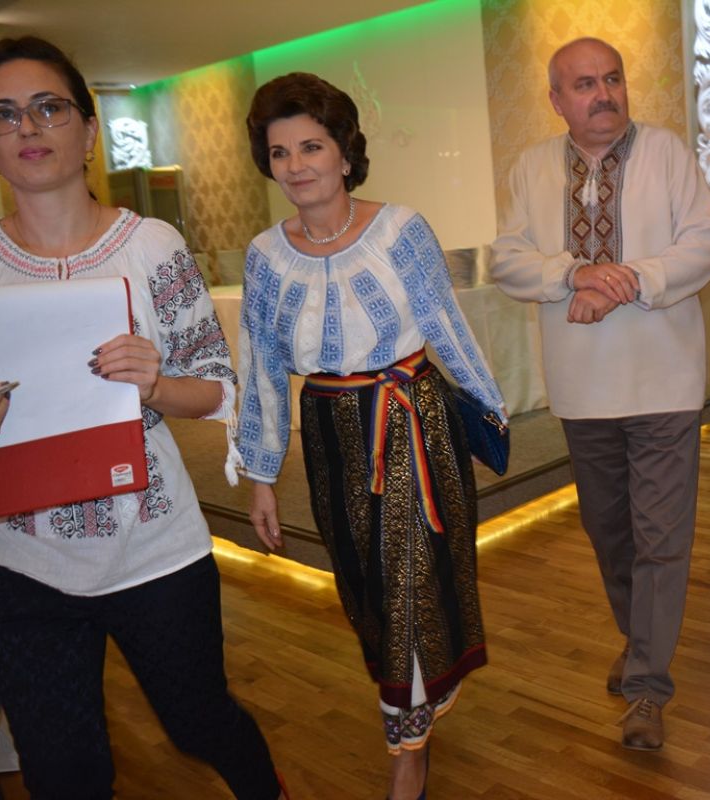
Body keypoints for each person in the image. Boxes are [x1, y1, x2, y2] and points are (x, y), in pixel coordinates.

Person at [0, 37, 284, 800]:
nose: (27, 128)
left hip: (155, 550)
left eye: (48, 107)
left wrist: (154, 384)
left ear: (89, 131)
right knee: (63, 772)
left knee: (199, 723)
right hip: (21, 564)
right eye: (4, 115)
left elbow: (219, 391)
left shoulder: (151, 246)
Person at [238, 71, 505, 800]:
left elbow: (447, 325)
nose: (297, 166)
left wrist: (490, 414)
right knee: (368, 593)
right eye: (281, 151)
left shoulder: (399, 230)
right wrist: (260, 476)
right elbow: (261, 368)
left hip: (413, 421)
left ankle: (406, 750)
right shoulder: (265, 255)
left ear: (345, 151)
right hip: (329, 433)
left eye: (312, 146)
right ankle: (416, 705)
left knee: (409, 584)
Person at [491, 37, 710, 751]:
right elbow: (508, 261)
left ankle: (648, 687)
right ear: (557, 100)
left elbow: (701, 248)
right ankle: (640, 638)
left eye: (612, 79)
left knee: (661, 539)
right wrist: (573, 275)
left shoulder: (668, 153)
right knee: (610, 533)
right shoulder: (531, 167)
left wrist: (624, 280)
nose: (603, 94)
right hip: (582, 389)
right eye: (585, 84)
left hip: (665, 380)